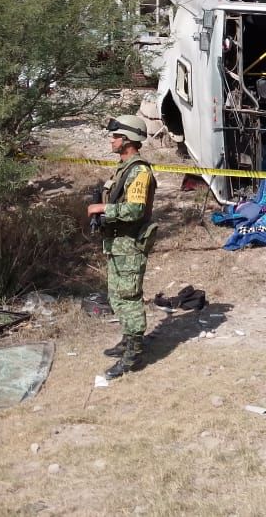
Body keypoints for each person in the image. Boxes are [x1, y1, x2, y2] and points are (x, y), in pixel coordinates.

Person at [87, 115, 158, 378]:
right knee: (117, 296)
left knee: (129, 298)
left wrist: (102, 208)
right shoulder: (124, 167)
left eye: (116, 136)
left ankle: (134, 354)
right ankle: (128, 341)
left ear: (127, 140)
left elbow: (135, 210)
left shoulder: (139, 171)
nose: (112, 140)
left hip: (129, 245)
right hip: (117, 244)